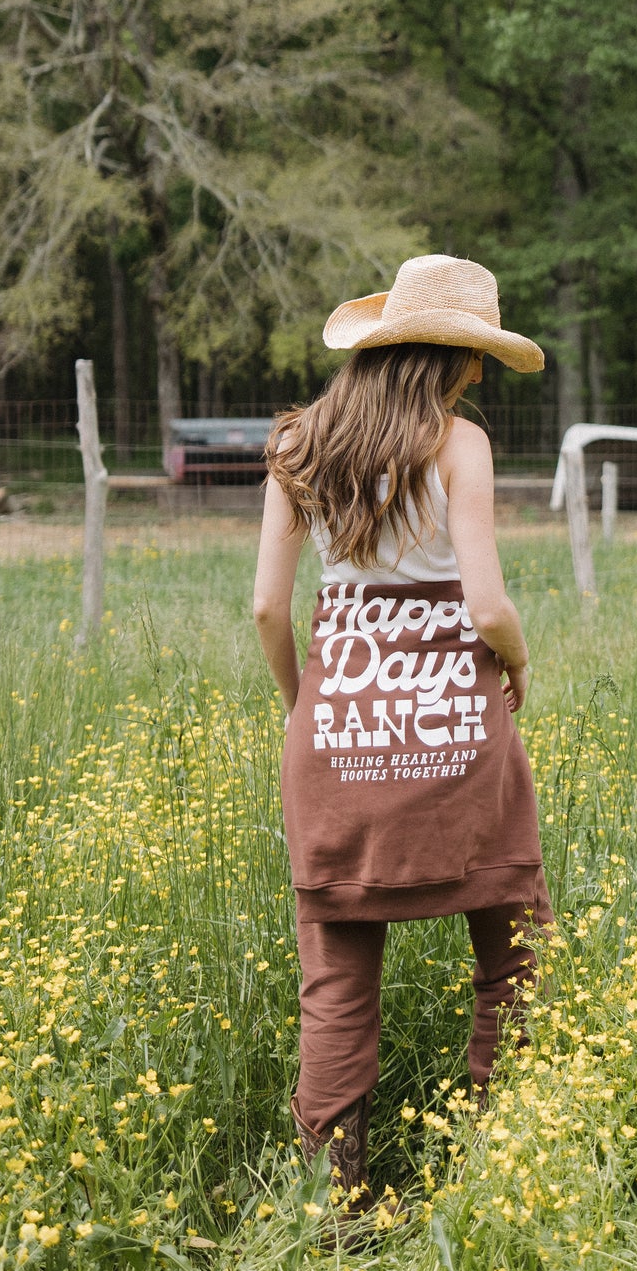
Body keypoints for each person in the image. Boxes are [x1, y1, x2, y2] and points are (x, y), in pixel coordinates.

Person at [253, 254, 550, 1213]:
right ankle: (503, 1166)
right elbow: (488, 603)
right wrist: (514, 663)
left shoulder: (297, 444)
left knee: (336, 981)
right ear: (459, 356)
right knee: (512, 950)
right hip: (457, 729)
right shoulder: (458, 442)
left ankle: (333, 1210)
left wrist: (307, 705)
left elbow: (265, 608)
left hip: (335, 733)